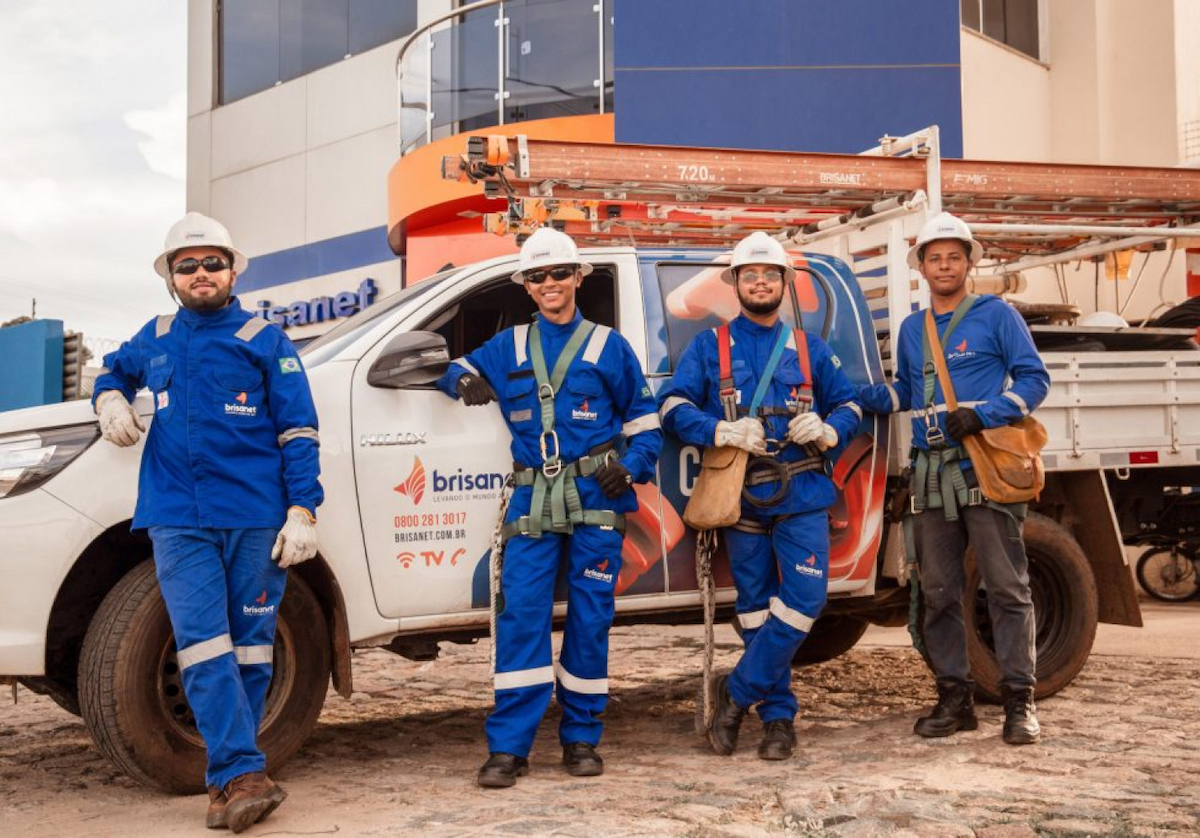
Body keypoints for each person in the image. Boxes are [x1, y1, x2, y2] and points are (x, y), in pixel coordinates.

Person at [93, 212, 323, 831]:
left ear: (231, 271)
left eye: (211, 263)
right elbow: (113, 368)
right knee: (202, 646)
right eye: (186, 265)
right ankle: (245, 772)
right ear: (171, 277)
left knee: (251, 652)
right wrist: (107, 396)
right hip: (178, 517)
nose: (200, 273)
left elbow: (299, 430)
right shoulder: (157, 335)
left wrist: (304, 508)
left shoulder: (265, 339)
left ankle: (230, 781)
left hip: (255, 515)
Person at [437, 227, 662, 788]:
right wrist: (461, 380)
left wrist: (630, 468)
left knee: (590, 620)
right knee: (520, 620)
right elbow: (449, 368)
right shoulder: (508, 346)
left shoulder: (609, 347)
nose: (549, 284)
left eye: (559, 273)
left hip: (596, 501)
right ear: (527, 287)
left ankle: (582, 738)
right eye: (537, 276)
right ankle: (509, 749)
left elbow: (647, 425)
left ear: (578, 277)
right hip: (532, 503)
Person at [658, 232, 862, 760]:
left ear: (784, 284)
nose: (760, 281)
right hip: (741, 497)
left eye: (770, 274)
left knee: (805, 600)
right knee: (753, 609)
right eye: (751, 274)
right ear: (736, 284)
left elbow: (852, 406)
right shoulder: (710, 347)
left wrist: (829, 428)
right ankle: (778, 721)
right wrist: (719, 432)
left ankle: (736, 693)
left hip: (802, 492)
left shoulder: (810, 348)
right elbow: (671, 406)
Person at [857, 212, 1050, 745]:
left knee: (1007, 588)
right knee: (938, 590)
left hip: (984, 470)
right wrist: (848, 392)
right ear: (921, 267)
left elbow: (1036, 379)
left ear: (969, 261)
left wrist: (987, 413)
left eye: (953, 257)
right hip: (930, 475)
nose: (944, 266)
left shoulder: (997, 315)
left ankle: (1019, 701)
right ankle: (955, 698)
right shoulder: (913, 330)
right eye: (934, 257)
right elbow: (904, 394)